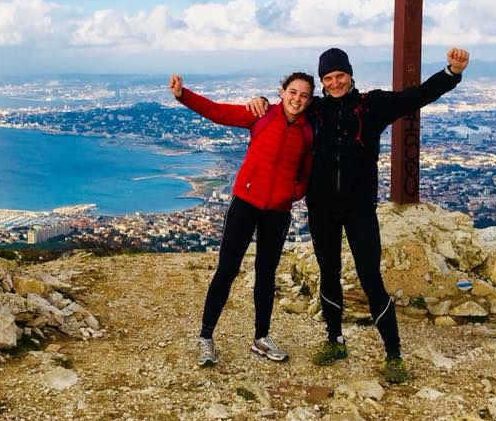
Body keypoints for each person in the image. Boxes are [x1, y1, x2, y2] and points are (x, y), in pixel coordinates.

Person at [246, 47, 469, 384]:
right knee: (329, 273)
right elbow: (285, 108)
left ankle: (393, 353)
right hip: (321, 208)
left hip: (360, 207)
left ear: (350, 75)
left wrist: (451, 73)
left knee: (370, 278)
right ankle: (335, 341)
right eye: (328, 78)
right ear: (322, 81)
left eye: (340, 75)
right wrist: (258, 99)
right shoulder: (315, 110)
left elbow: (417, 97)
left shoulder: (371, 106)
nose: (334, 82)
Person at [169, 71, 315, 367]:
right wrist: (183, 95)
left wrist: (292, 193)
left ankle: (261, 337)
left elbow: (306, 172)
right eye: (293, 92)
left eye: (304, 95)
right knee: (226, 270)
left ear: (309, 100)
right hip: (245, 203)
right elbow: (217, 113)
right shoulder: (261, 114)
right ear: (282, 91)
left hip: (278, 211)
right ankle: (206, 338)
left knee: (266, 274)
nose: (297, 99)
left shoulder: (309, 131)